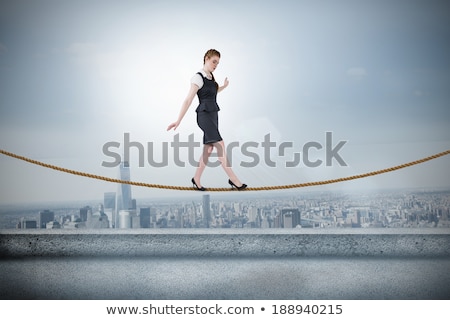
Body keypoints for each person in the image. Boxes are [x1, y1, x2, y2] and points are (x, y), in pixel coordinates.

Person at [167, 49, 247, 191]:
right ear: (206, 59)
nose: (216, 65)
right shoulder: (198, 77)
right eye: (214, 61)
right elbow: (188, 99)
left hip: (214, 115)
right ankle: (234, 179)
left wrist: (224, 86)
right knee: (220, 144)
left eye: (218, 63)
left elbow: (213, 92)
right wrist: (178, 120)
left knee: (209, 149)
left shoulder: (211, 77)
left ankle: (196, 178)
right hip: (204, 115)